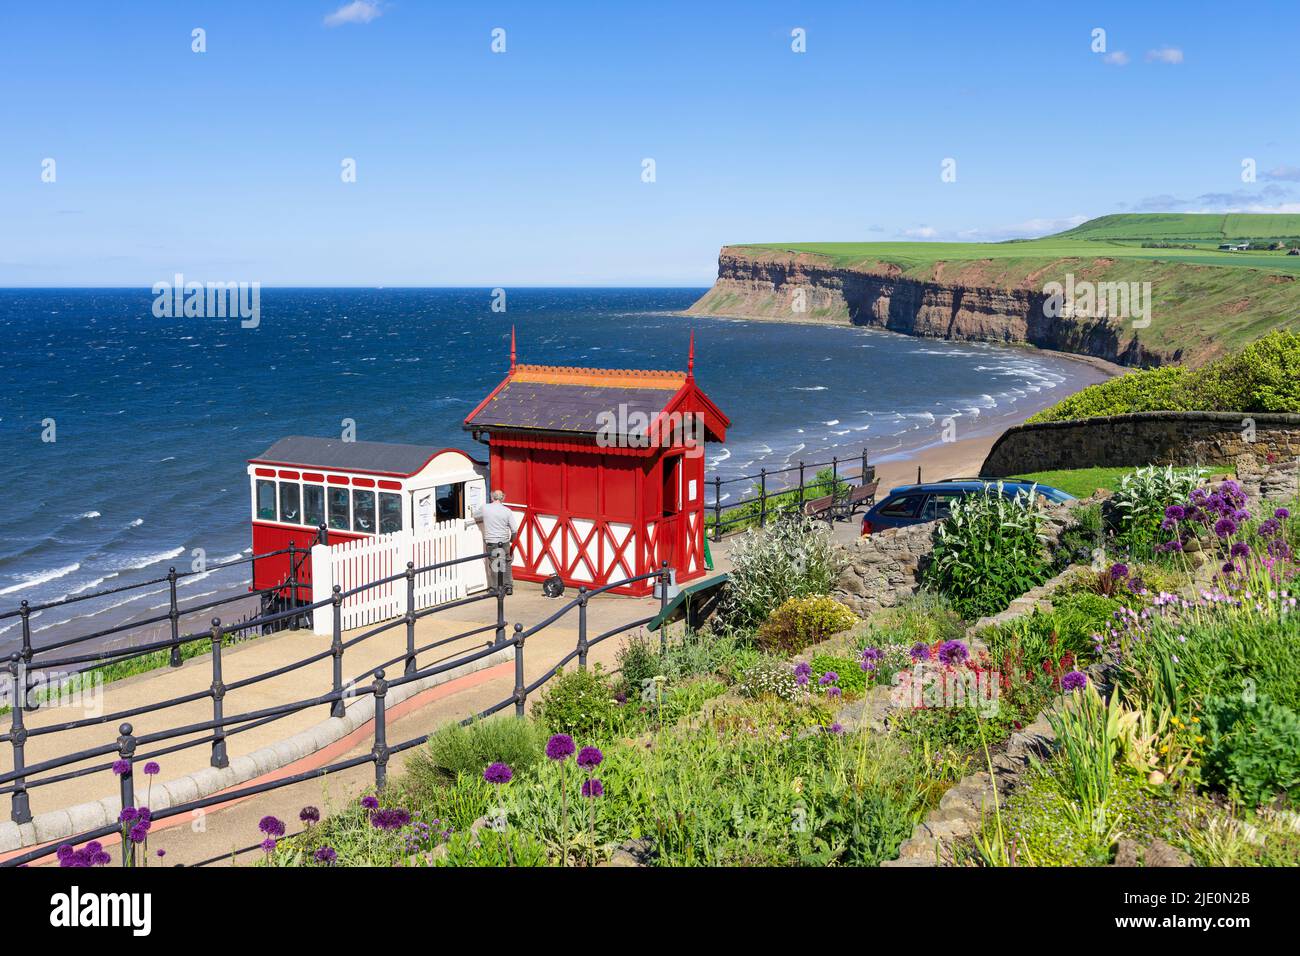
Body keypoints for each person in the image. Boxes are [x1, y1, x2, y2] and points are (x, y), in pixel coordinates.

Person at [475, 489, 521, 594]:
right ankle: (508, 586)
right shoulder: (507, 511)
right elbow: (514, 529)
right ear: (503, 498)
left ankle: (495, 588)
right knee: (506, 562)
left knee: (494, 563)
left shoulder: (485, 508)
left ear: (492, 497)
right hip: (504, 541)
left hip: (491, 541)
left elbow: (475, 515)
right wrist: (512, 540)